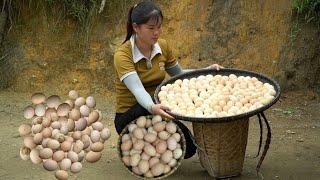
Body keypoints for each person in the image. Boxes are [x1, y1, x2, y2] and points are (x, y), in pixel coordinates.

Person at [113, 0, 223, 159]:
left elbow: (180, 75)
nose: (157, 32)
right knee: (157, 96)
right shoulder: (123, 55)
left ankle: (146, 144)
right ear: (136, 27)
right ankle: (133, 142)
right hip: (130, 115)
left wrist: (206, 71)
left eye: (159, 27)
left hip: (157, 109)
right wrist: (152, 107)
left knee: (189, 148)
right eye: (151, 28)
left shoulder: (162, 46)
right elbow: (138, 89)